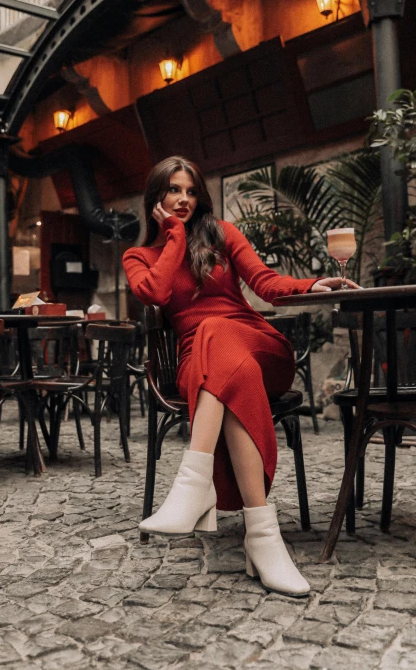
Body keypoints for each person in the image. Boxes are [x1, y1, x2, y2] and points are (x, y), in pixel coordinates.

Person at [123, 156, 359, 598]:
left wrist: (311, 285)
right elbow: (153, 293)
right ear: (155, 197)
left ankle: (194, 486)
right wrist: (174, 236)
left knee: (216, 331)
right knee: (228, 375)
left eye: (192, 191)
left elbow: (265, 283)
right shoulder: (138, 255)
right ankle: (263, 536)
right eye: (174, 190)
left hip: (258, 345)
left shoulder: (223, 235)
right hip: (202, 362)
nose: (184, 199)